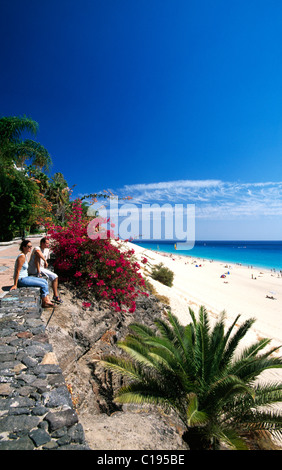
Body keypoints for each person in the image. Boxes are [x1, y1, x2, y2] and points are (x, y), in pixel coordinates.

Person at [10, 239, 54, 308]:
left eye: (31, 246)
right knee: (42, 284)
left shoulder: (25, 255)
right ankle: (45, 301)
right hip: (21, 280)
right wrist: (15, 284)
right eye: (29, 246)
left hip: (25, 277)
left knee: (44, 281)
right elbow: (17, 271)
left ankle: (46, 299)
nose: (30, 248)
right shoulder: (21, 257)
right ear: (24, 247)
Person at [28, 237, 62, 304]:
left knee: (55, 277)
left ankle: (55, 295)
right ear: (42, 243)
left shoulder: (47, 250)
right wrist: (45, 261)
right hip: (33, 269)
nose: (48, 245)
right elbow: (38, 253)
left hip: (42, 268)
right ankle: (38, 273)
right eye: (46, 243)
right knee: (37, 256)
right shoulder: (37, 248)